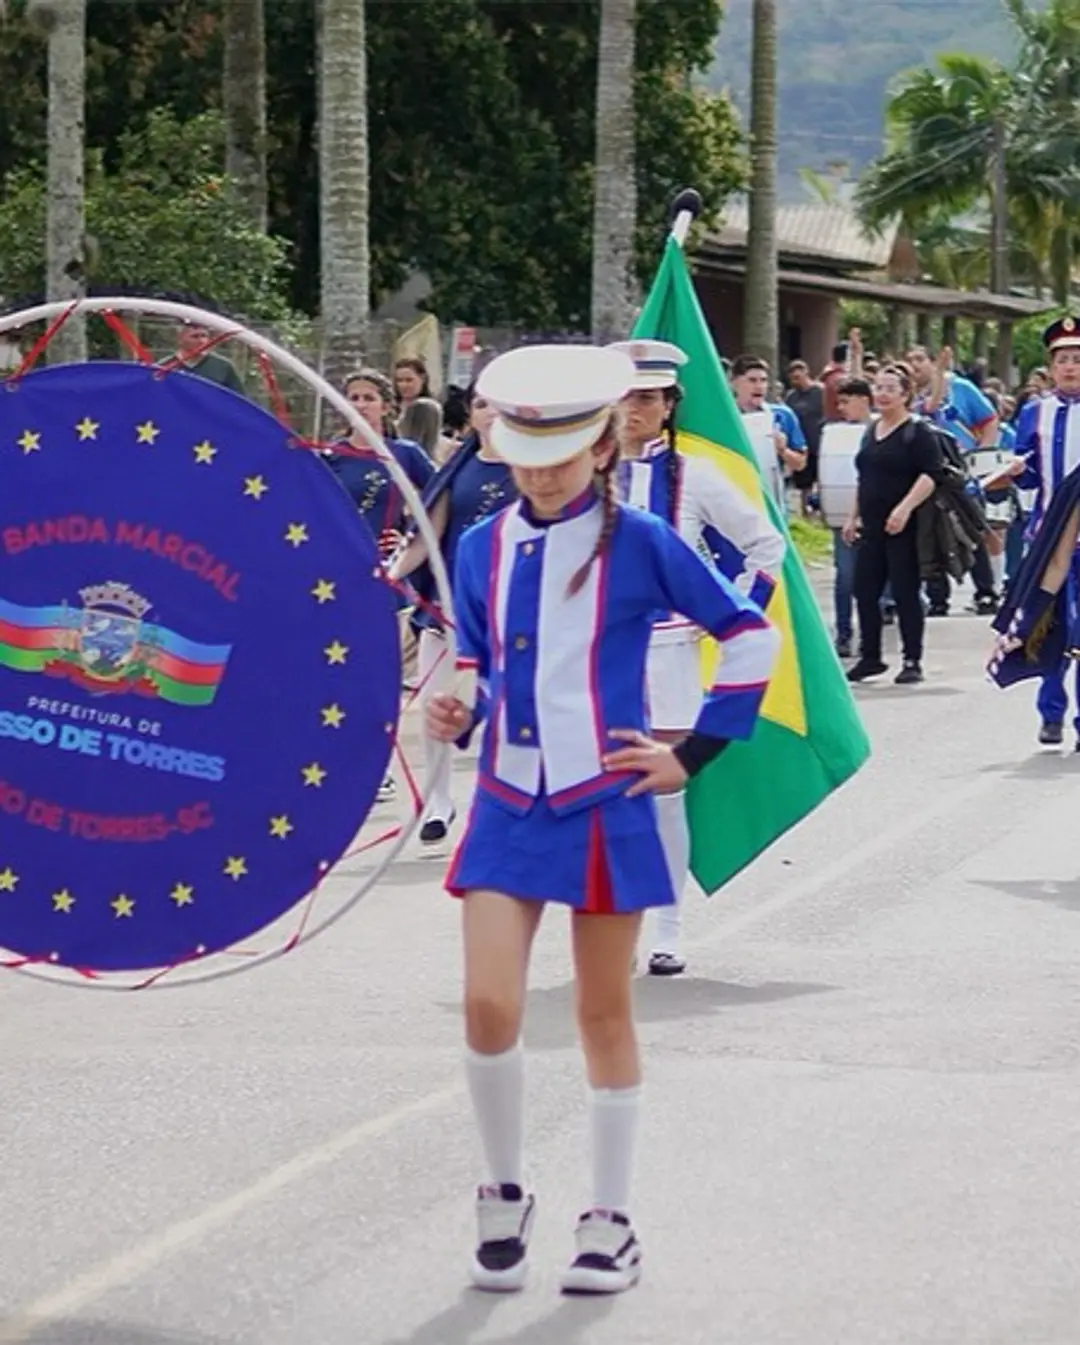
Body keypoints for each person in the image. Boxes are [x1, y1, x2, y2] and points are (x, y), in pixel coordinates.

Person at [426, 344, 779, 1295]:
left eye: (562, 448)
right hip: (506, 799)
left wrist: (689, 753)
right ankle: (503, 1194)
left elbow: (749, 633)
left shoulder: (645, 543)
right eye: (525, 449)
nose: (541, 467)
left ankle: (611, 1219)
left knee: (599, 1010)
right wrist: (459, 704)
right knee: (491, 1006)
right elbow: (476, 660)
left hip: (604, 802)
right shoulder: (480, 545)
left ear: (599, 448)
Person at [608, 338, 785, 976]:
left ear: (669, 405)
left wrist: (727, 617)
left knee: (663, 792)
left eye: (648, 398)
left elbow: (766, 547)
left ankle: (668, 924)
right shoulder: (583, 471)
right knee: (599, 789)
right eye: (626, 395)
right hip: (596, 657)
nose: (634, 408)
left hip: (668, 653)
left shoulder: (695, 476)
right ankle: (612, 918)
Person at [390, 384, 517, 844]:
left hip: (511, 621)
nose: (491, 412)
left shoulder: (535, 472)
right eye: (482, 404)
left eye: (499, 404)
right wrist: (389, 572)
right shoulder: (457, 470)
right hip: (446, 616)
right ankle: (437, 801)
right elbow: (425, 537)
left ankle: (498, 805)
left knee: (502, 716)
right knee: (433, 709)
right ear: (470, 414)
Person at [327, 369, 435, 803]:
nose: (361, 404)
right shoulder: (328, 458)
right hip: (336, 583)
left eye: (370, 397)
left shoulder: (405, 455)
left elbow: (439, 502)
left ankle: (380, 766)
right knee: (340, 677)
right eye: (353, 396)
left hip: (389, 583)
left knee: (380, 679)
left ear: (387, 405)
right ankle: (344, 763)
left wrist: (406, 534)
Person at [1003, 316, 1080, 746]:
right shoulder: (1036, 412)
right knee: (1048, 628)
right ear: (1051, 368)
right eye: (1063, 360)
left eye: (1077, 359)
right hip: (1049, 542)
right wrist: (1016, 471)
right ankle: (1051, 713)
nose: (1070, 367)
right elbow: (1027, 474)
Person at [844, 364, 946, 685]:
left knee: (905, 593)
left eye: (890, 388)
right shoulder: (870, 431)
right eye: (878, 387)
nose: (882, 394)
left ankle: (912, 658)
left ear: (906, 394)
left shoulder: (918, 432)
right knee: (864, 590)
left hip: (906, 526)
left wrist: (904, 508)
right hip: (872, 526)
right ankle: (870, 656)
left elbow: (932, 474)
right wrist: (852, 516)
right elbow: (864, 477)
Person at [907, 344, 1000, 615]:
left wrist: (981, 456)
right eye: (910, 359)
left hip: (959, 471)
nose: (915, 365)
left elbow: (989, 419)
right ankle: (938, 597)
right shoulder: (909, 396)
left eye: (920, 358)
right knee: (929, 533)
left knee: (971, 528)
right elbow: (930, 408)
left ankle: (985, 591)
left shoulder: (960, 387)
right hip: (926, 473)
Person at [826, 375, 874, 657]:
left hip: (876, 515)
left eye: (846, 401)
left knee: (873, 579)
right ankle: (844, 633)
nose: (841, 408)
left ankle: (872, 635)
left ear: (863, 401)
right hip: (844, 514)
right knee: (845, 577)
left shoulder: (879, 429)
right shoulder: (835, 433)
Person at [729, 354, 807, 512]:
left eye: (763, 380)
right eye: (752, 380)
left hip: (772, 500)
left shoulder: (783, 415)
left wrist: (783, 450)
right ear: (734, 383)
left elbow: (800, 464)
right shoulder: (724, 417)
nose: (759, 386)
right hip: (734, 499)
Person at [173, 320, 245, 396]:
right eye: (195, 336)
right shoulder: (165, 366)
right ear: (180, 339)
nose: (201, 341)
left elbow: (239, 400)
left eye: (204, 336)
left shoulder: (223, 367)